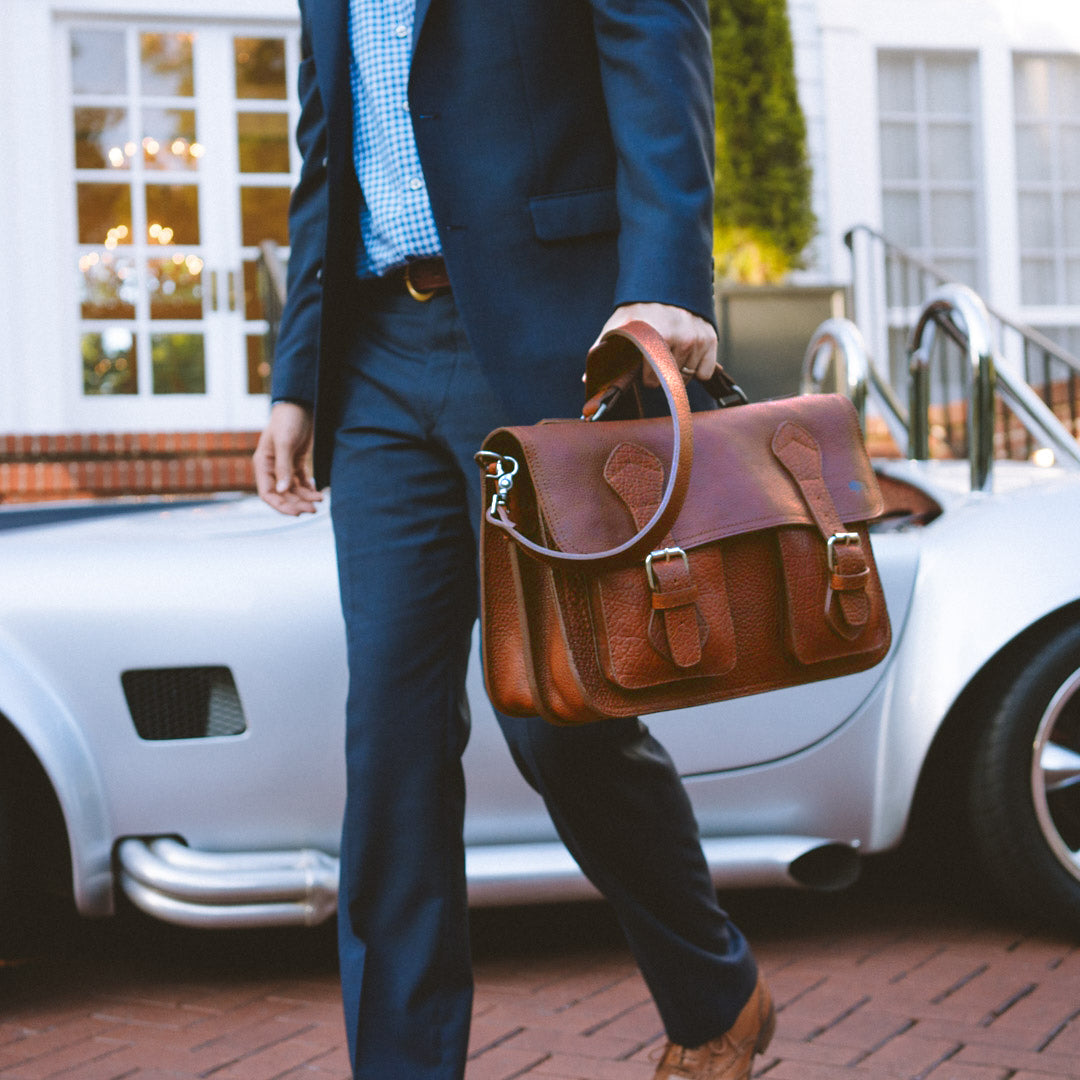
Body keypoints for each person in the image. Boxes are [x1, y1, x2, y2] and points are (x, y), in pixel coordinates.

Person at [253, 2, 775, 1077]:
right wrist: (296, 381)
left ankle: (713, 990)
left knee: (562, 718)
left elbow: (653, 42)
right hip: (380, 361)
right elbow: (326, 151)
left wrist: (667, 282)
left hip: (541, 345)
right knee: (390, 740)